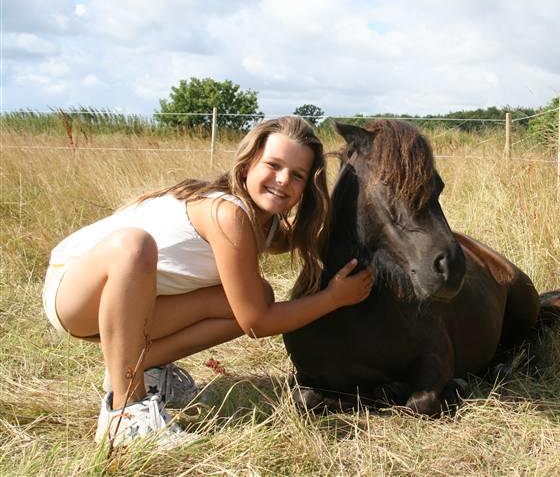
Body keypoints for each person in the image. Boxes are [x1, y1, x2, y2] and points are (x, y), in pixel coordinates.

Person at [41, 116, 374, 447]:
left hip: (126, 307)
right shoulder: (228, 213)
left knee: (257, 293)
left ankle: (143, 368)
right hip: (73, 294)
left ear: (306, 187)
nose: (284, 180)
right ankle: (126, 414)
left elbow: (302, 235)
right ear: (246, 166)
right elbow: (257, 323)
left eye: (297, 175)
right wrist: (333, 298)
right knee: (134, 245)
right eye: (273, 165)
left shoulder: (264, 222)